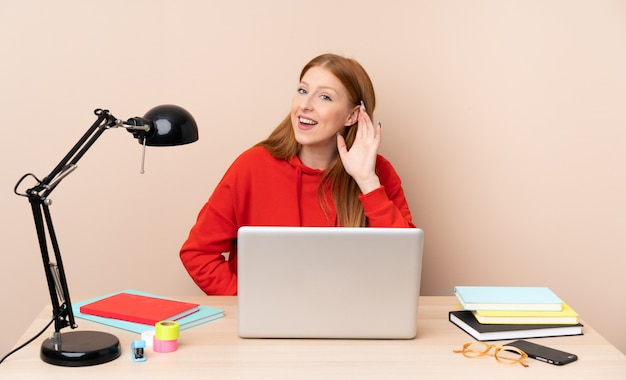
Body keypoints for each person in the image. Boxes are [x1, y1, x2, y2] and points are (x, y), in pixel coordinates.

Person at [180, 53, 415, 295]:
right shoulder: (251, 166)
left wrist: (367, 181)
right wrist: (250, 303)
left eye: (324, 96)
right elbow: (198, 253)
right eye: (303, 91)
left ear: (352, 116)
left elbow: (403, 263)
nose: (305, 105)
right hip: (267, 325)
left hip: (350, 320)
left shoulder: (378, 173)